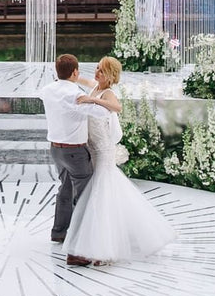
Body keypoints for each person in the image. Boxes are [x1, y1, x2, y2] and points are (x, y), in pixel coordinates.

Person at [63, 56, 176, 266]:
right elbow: (82, 82)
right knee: (104, 194)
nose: (97, 73)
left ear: (111, 76)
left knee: (101, 196)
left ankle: (103, 248)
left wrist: (92, 100)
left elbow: (117, 107)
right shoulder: (95, 87)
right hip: (92, 149)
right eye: (97, 68)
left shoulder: (107, 93)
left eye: (102, 71)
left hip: (103, 151)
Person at [39, 54, 110, 266]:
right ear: (76, 72)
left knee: (65, 189)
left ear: (56, 71)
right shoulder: (75, 95)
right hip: (75, 152)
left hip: (55, 150)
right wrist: (95, 98)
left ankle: (59, 232)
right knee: (85, 197)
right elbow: (101, 112)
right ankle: (77, 251)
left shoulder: (47, 90)